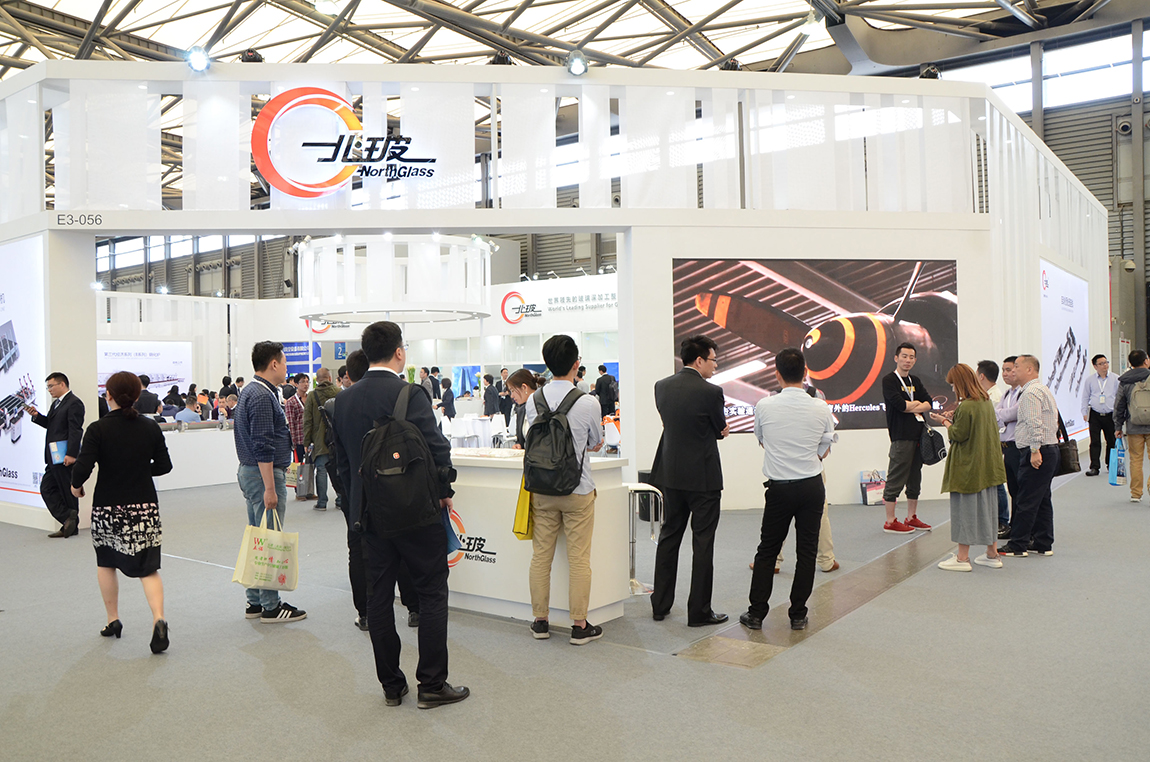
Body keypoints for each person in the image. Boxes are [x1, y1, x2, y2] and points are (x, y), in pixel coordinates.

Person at [331, 322, 467, 709]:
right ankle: (432, 683)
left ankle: (391, 685)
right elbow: (436, 448)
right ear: (399, 352)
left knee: (378, 597)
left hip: (369, 516)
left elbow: (343, 465)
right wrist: (444, 492)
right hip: (414, 511)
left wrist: (356, 505)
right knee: (431, 591)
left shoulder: (343, 401)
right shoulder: (410, 393)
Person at [70, 371, 173, 652]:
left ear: (109, 395)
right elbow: (164, 466)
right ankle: (159, 618)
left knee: (106, 562)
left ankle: (113, 620)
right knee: (148, 567)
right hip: (144, 507)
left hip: (108, 507)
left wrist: (76, 486)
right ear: (137, 396)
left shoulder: (98, 428)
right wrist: (140, 470)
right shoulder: (150, 427)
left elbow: (82, 467)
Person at [739, 348, 836, 632]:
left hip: (779, 488)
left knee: (767, 550)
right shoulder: (821, 407)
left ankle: (756, 613)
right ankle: (798, 615)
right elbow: (825, 448)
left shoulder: (764, 405)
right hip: (811, 487)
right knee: (806, 552)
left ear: (777, 374)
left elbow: (761, 439)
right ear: (805, 373)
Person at [523, 335, 605, 645]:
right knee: (579, 560)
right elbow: (596, 441)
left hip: (542, 489)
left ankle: (540, 621)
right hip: (577, 490)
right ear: (576, 364)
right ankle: (579, 625)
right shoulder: (588, 402)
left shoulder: (533, 400)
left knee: (540, 557)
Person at [649, 335, 730, 627]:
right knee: (703, 543)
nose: (715, 366)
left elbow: (668, 423)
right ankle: (699, 612)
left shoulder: (661, 386)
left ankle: (660, 605)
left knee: (669, 537)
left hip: (670, 475)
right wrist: (721, 430)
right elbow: (719, 429)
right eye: (713, 360)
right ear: (699, 360)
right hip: (704, 478)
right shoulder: (712, 392)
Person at [233, 341, 307, 623]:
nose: (287, 368)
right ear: (274, 364)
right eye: (285, 362)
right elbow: (262, 445)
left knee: (258, 539)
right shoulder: (262, 396)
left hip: (251, 472)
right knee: (269, 541)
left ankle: (254, 601)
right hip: (262, 474)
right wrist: (270, 488)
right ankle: (271, 606)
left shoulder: (252, 391)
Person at [931, 364, 1007, 572]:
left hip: (968, 467)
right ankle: (992, 553)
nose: (952, 388)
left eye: (953, 384)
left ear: (960, 383)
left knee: (964, 510)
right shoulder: (985, 401)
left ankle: (962, 558)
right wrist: (954, 417)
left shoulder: (967, 406)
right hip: (987, 467)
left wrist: (945, 422)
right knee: (989, 510)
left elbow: (958, 434)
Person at [998, 354, 1059, 558]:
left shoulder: (1030, 393)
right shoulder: (1040, 389)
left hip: (1037, 450)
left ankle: (1018, 545)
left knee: (1026, 500)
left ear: (1030, 370)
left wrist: (1034, 450)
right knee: (1042, 499)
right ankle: (1043, 542)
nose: (1013, 370)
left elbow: (1034, 423)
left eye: (1017, 366)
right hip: (1046, 449)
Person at [880, 343, 934, 534]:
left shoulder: (915, 380)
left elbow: (929, 403)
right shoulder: (889, 380)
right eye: (904, 356)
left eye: (911, 357)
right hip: (901, 436)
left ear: (915, 360)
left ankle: (911, 517)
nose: (908, 360)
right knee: (896, 476)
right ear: (896, 358)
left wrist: (913, 405)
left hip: (919, 436)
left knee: (914, 478)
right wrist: (916, 404)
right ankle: (890, 521)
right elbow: (900, 405)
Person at [24, 372, 85, 538]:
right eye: (48, 387)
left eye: (51, 386)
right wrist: (37, 416)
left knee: (67, 490)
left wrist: (71, 454)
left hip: (64, 455)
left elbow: (75, 430)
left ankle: (70, 526)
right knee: (47, 487)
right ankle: (67, 517)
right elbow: (52, 426)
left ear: (62, 384)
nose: (49, 390)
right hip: (53, 455)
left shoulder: (74, 403)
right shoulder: (57, 404)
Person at [976, 360, 1010, 536]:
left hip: (993, 443)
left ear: (981, 376)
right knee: (992, 482)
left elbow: (993, 423)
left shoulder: (994, 397)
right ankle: (996, 520)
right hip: (989, 442)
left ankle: (1002, 521)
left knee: (996, 483)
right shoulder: (989, 395)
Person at [1114, 349, 1150, 502]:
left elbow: (1119, 405)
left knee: (1135, 459)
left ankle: (1136, 493)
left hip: (1134, 426)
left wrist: (1118, 426)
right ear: (1146, 361)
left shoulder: (1125, 381)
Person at [303, 367, 339, 512]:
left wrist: (306, 442)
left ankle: (322, 502)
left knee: (321, 470)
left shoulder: (312, 396)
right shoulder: (339, 393)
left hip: (320, 440)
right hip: (337, 439)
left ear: (317, 380)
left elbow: (308, 421)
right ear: (330, 378)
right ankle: (341, 499)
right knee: (338, 469)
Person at [995, 356, 1023, 540]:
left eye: (1009, 369)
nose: (1005, 374)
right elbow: (997, 415)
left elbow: (1015, 413)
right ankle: (1014, 526)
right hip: (1006, 447)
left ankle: (1022, 529)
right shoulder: (1006, 394)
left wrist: (1001, 414)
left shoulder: (1023, 393)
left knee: (1021, 491)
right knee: (1012, 489)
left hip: (1018, 447)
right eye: (1003, 370)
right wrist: (1003, 415)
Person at [1081, 354, 1118, 477]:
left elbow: (1119, 397)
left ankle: (1110, 464)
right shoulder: (1090, 380)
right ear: (1095, 366)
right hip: (1095, 414)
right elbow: (1085, 397)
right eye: (1101, 363)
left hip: (1110, 414)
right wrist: (1084, 412)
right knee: (1095, 441)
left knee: (1111, 441)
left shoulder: (1115, 379)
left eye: (1106, 362)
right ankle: (1094, 467)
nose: (1105, 365)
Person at [505, 369, 541, 448]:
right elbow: (521, 440)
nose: (512, 396)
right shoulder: (521, 410)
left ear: (524, 387)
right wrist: (519, 445)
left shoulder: (543, 408)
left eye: (513, 391)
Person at [285, 373, 309, 463]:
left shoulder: (311, 399)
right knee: (298, 466)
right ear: (296, 384)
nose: (306, 384)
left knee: (311, 467)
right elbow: (291, 423)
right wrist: (293, 443)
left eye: (307, 382)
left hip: (311, 440)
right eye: (302, 382)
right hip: (299, 440)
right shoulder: (291, 402)